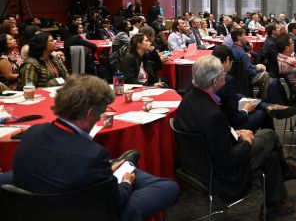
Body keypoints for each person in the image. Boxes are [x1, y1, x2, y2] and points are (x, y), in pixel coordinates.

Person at [10, 74, 179, 220]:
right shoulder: (92, 154)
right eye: (100, 113)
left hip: (34, 208)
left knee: (121, 168)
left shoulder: (32, 133)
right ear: (90, 113)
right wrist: (126, 183)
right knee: (168, 187)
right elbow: (115, 201)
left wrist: (104, 171)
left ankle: (115, 168)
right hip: (87, 212)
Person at [174, 56, 296, 218]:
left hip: (197, 164)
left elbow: (212, 136)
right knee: (269, 135)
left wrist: (235, 133)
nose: (226, 76)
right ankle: (285, 171)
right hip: (222, 174)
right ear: (214, 81)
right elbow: (229, 160)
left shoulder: (187, 99)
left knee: (271, 157)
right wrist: (247, 142)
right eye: (223, 74)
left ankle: (274, 204)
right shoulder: (212, 114)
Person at [212, 45, 296, 131]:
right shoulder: (226, 80)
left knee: (240, 96)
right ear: (227, 60)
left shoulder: (208, 75)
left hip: (218, 118)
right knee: (265, 114)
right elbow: (236, 119)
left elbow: (229, 98)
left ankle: (268, 106)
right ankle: (272, 139)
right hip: (232, 126)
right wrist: (246, 110)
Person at [230, 28, 270, 98]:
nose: (246, 37)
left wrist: (256, 66)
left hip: (235, 80)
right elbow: (249, 73)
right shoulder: (242, 54)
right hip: (245, 80)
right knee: (266, 74)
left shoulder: (230, 49)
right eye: (244, 35)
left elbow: (246, 67)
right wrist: (258, 69)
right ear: (239, 37)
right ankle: (262, 98)